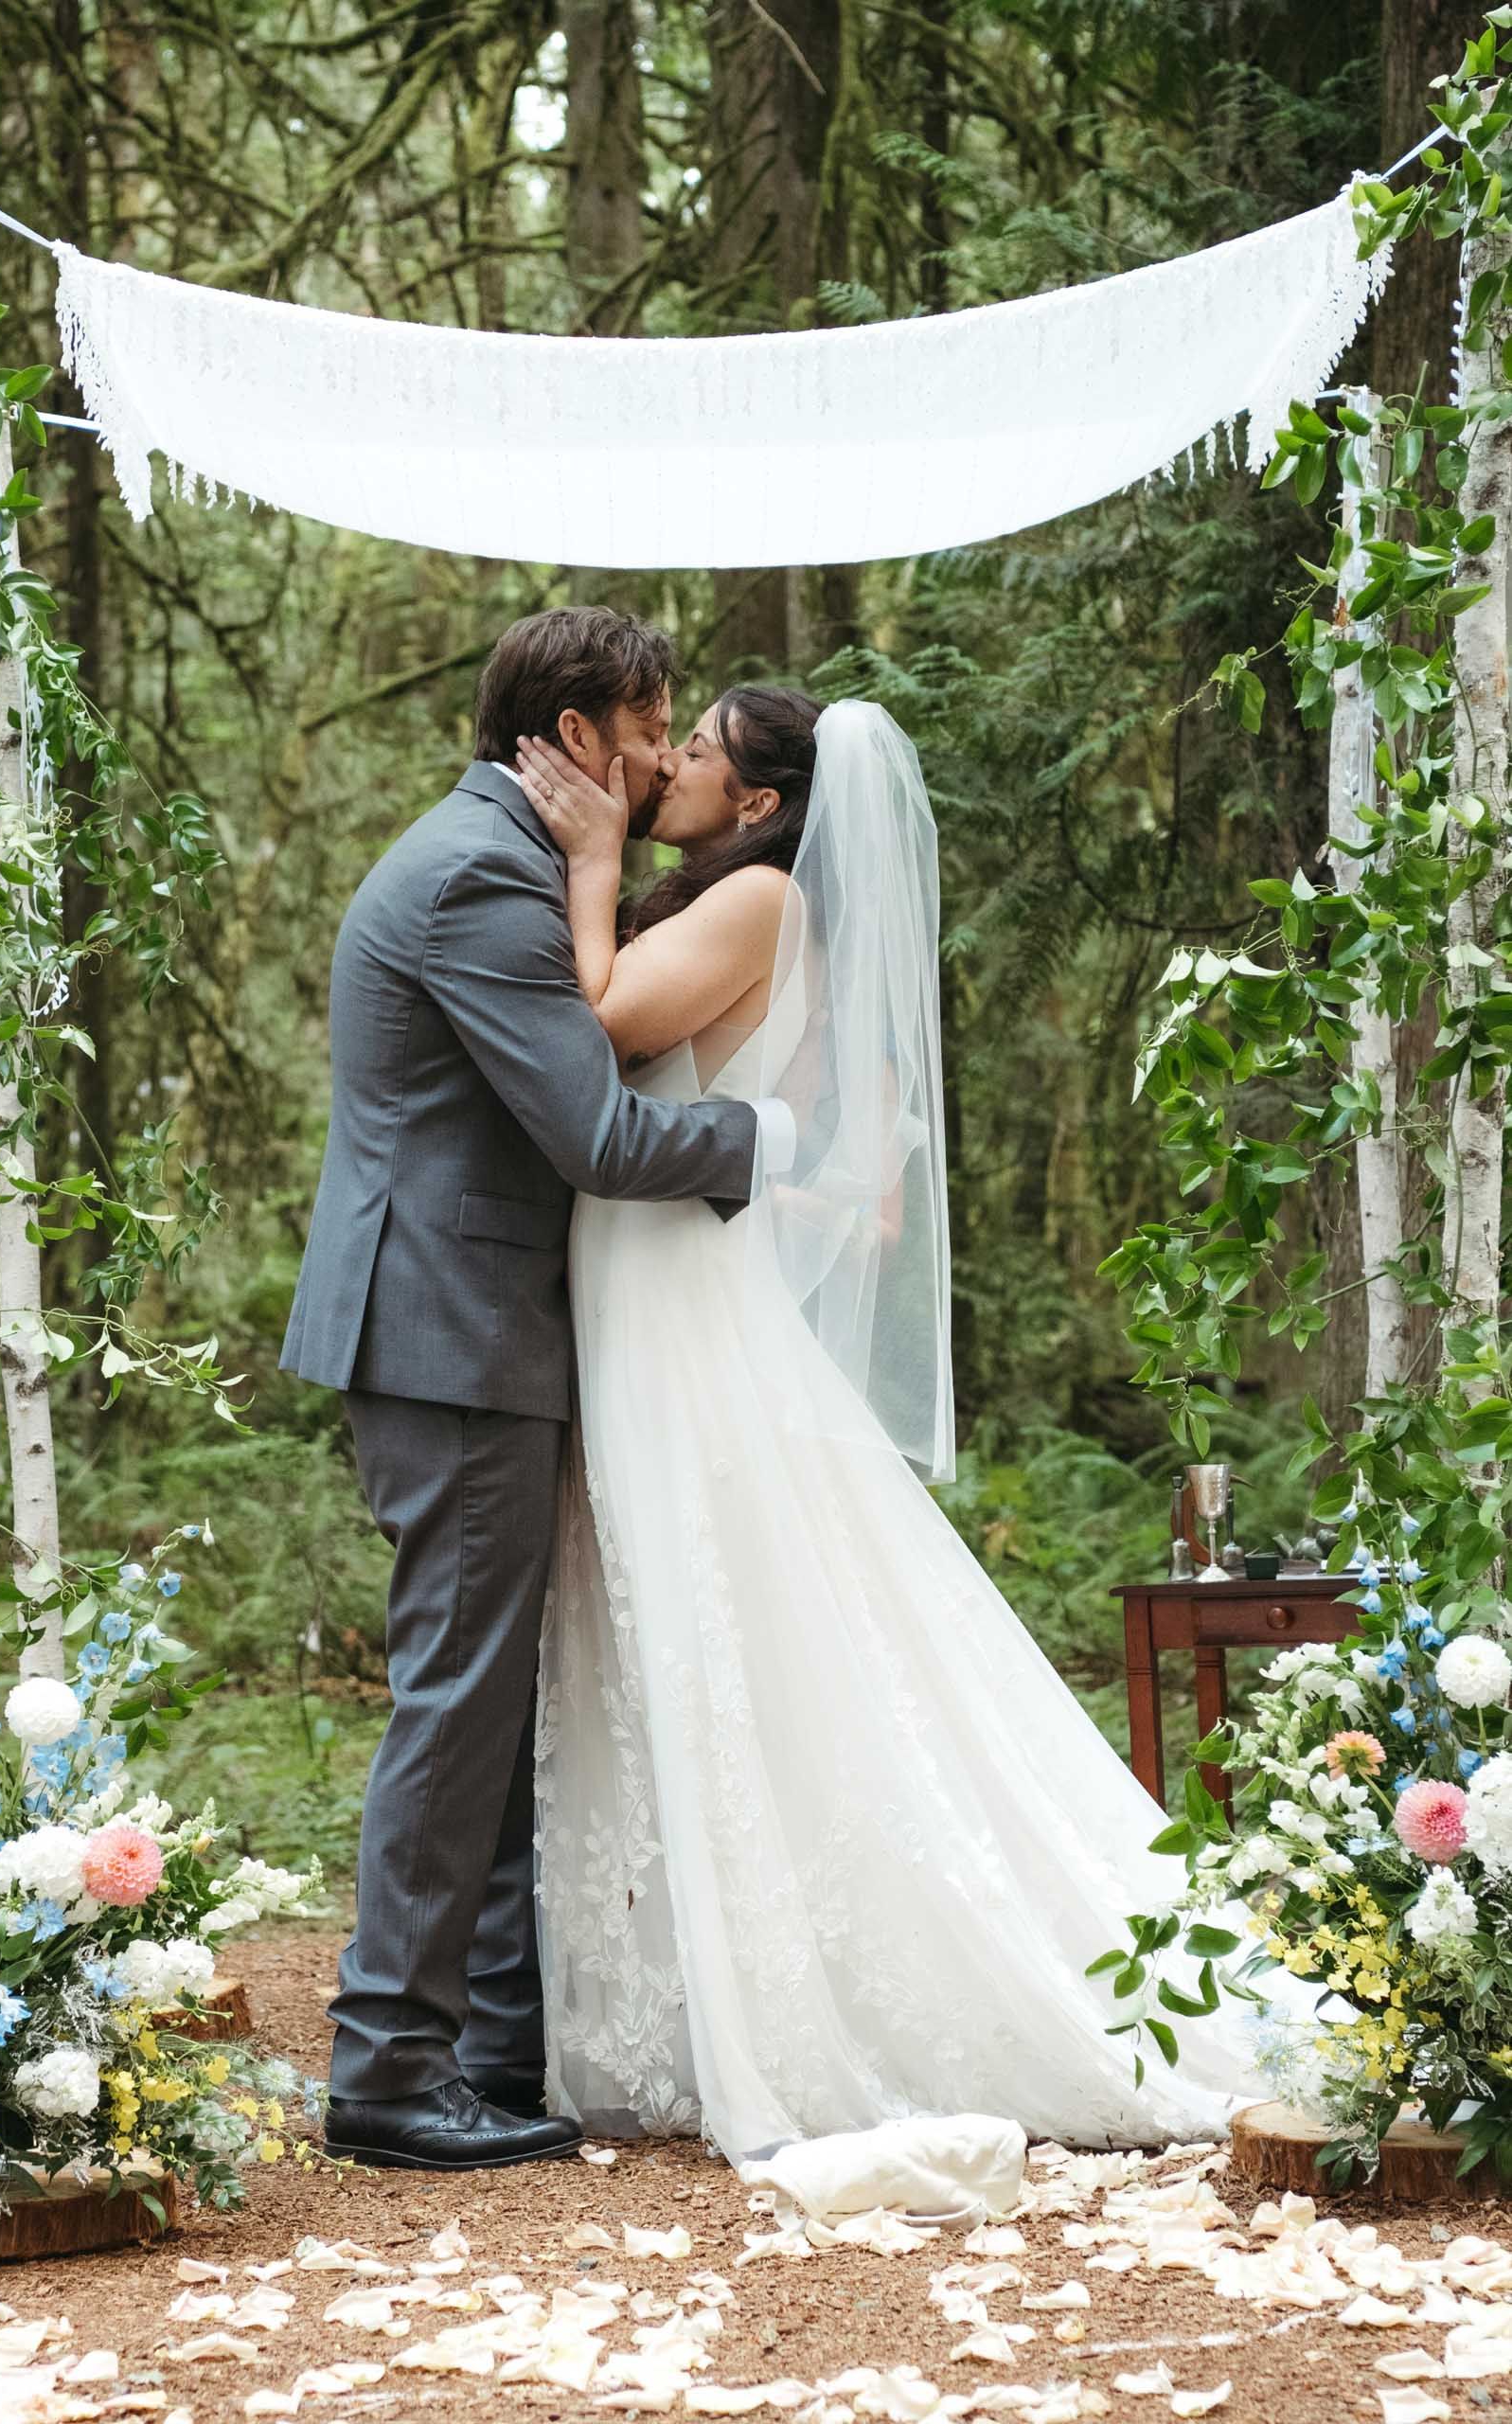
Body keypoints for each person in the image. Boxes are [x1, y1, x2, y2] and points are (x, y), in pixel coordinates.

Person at [517, 687, 1296, 2165]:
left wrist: (594, 860)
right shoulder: (747, 892)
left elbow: (604, 1018)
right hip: (650, 1281)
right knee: (673, 1611)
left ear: (757, 803)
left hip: (672, 1295)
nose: (665, 760)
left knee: (713, 1609)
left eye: (694, 750)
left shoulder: (750, 900)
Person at [279, 609, 793, 2173]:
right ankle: (386, 2072)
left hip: (467, 1327)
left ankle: (490, 2048)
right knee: (457, 1698)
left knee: (491, 1699)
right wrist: (795, 1155)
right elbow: (605, 1141)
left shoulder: (500, 856)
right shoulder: (485, 875)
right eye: (645, 729)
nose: (655, 760)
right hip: (449, 1333)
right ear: (575, 736)